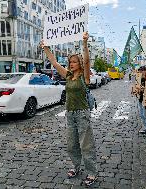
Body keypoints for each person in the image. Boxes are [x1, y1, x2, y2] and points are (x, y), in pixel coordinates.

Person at [40, 32, 98, 186]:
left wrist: (84, 43)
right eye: (70, 62)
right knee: (72, 144)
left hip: (82, 113)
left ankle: (92, 172)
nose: (72, 64)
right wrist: (46, 48)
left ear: (79, 63)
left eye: (74, 62)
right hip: (70, 113)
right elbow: (54, 62)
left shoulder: (84, 77)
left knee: (86, 144)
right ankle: (76, 166)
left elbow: (87, 61)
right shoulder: (67, 75)